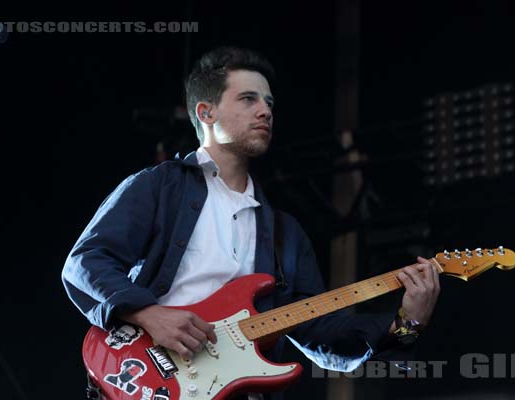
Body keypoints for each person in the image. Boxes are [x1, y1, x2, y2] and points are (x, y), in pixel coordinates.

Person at [62, 46, 440, 399]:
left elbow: (320, 335)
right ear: (206, 112)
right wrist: (148, 314)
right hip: (148, 376)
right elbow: (86, 263)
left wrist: (405, 323)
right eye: (249, 99)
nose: (266, 111)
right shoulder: (160, 185)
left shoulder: (284, 233)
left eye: (269, 102)